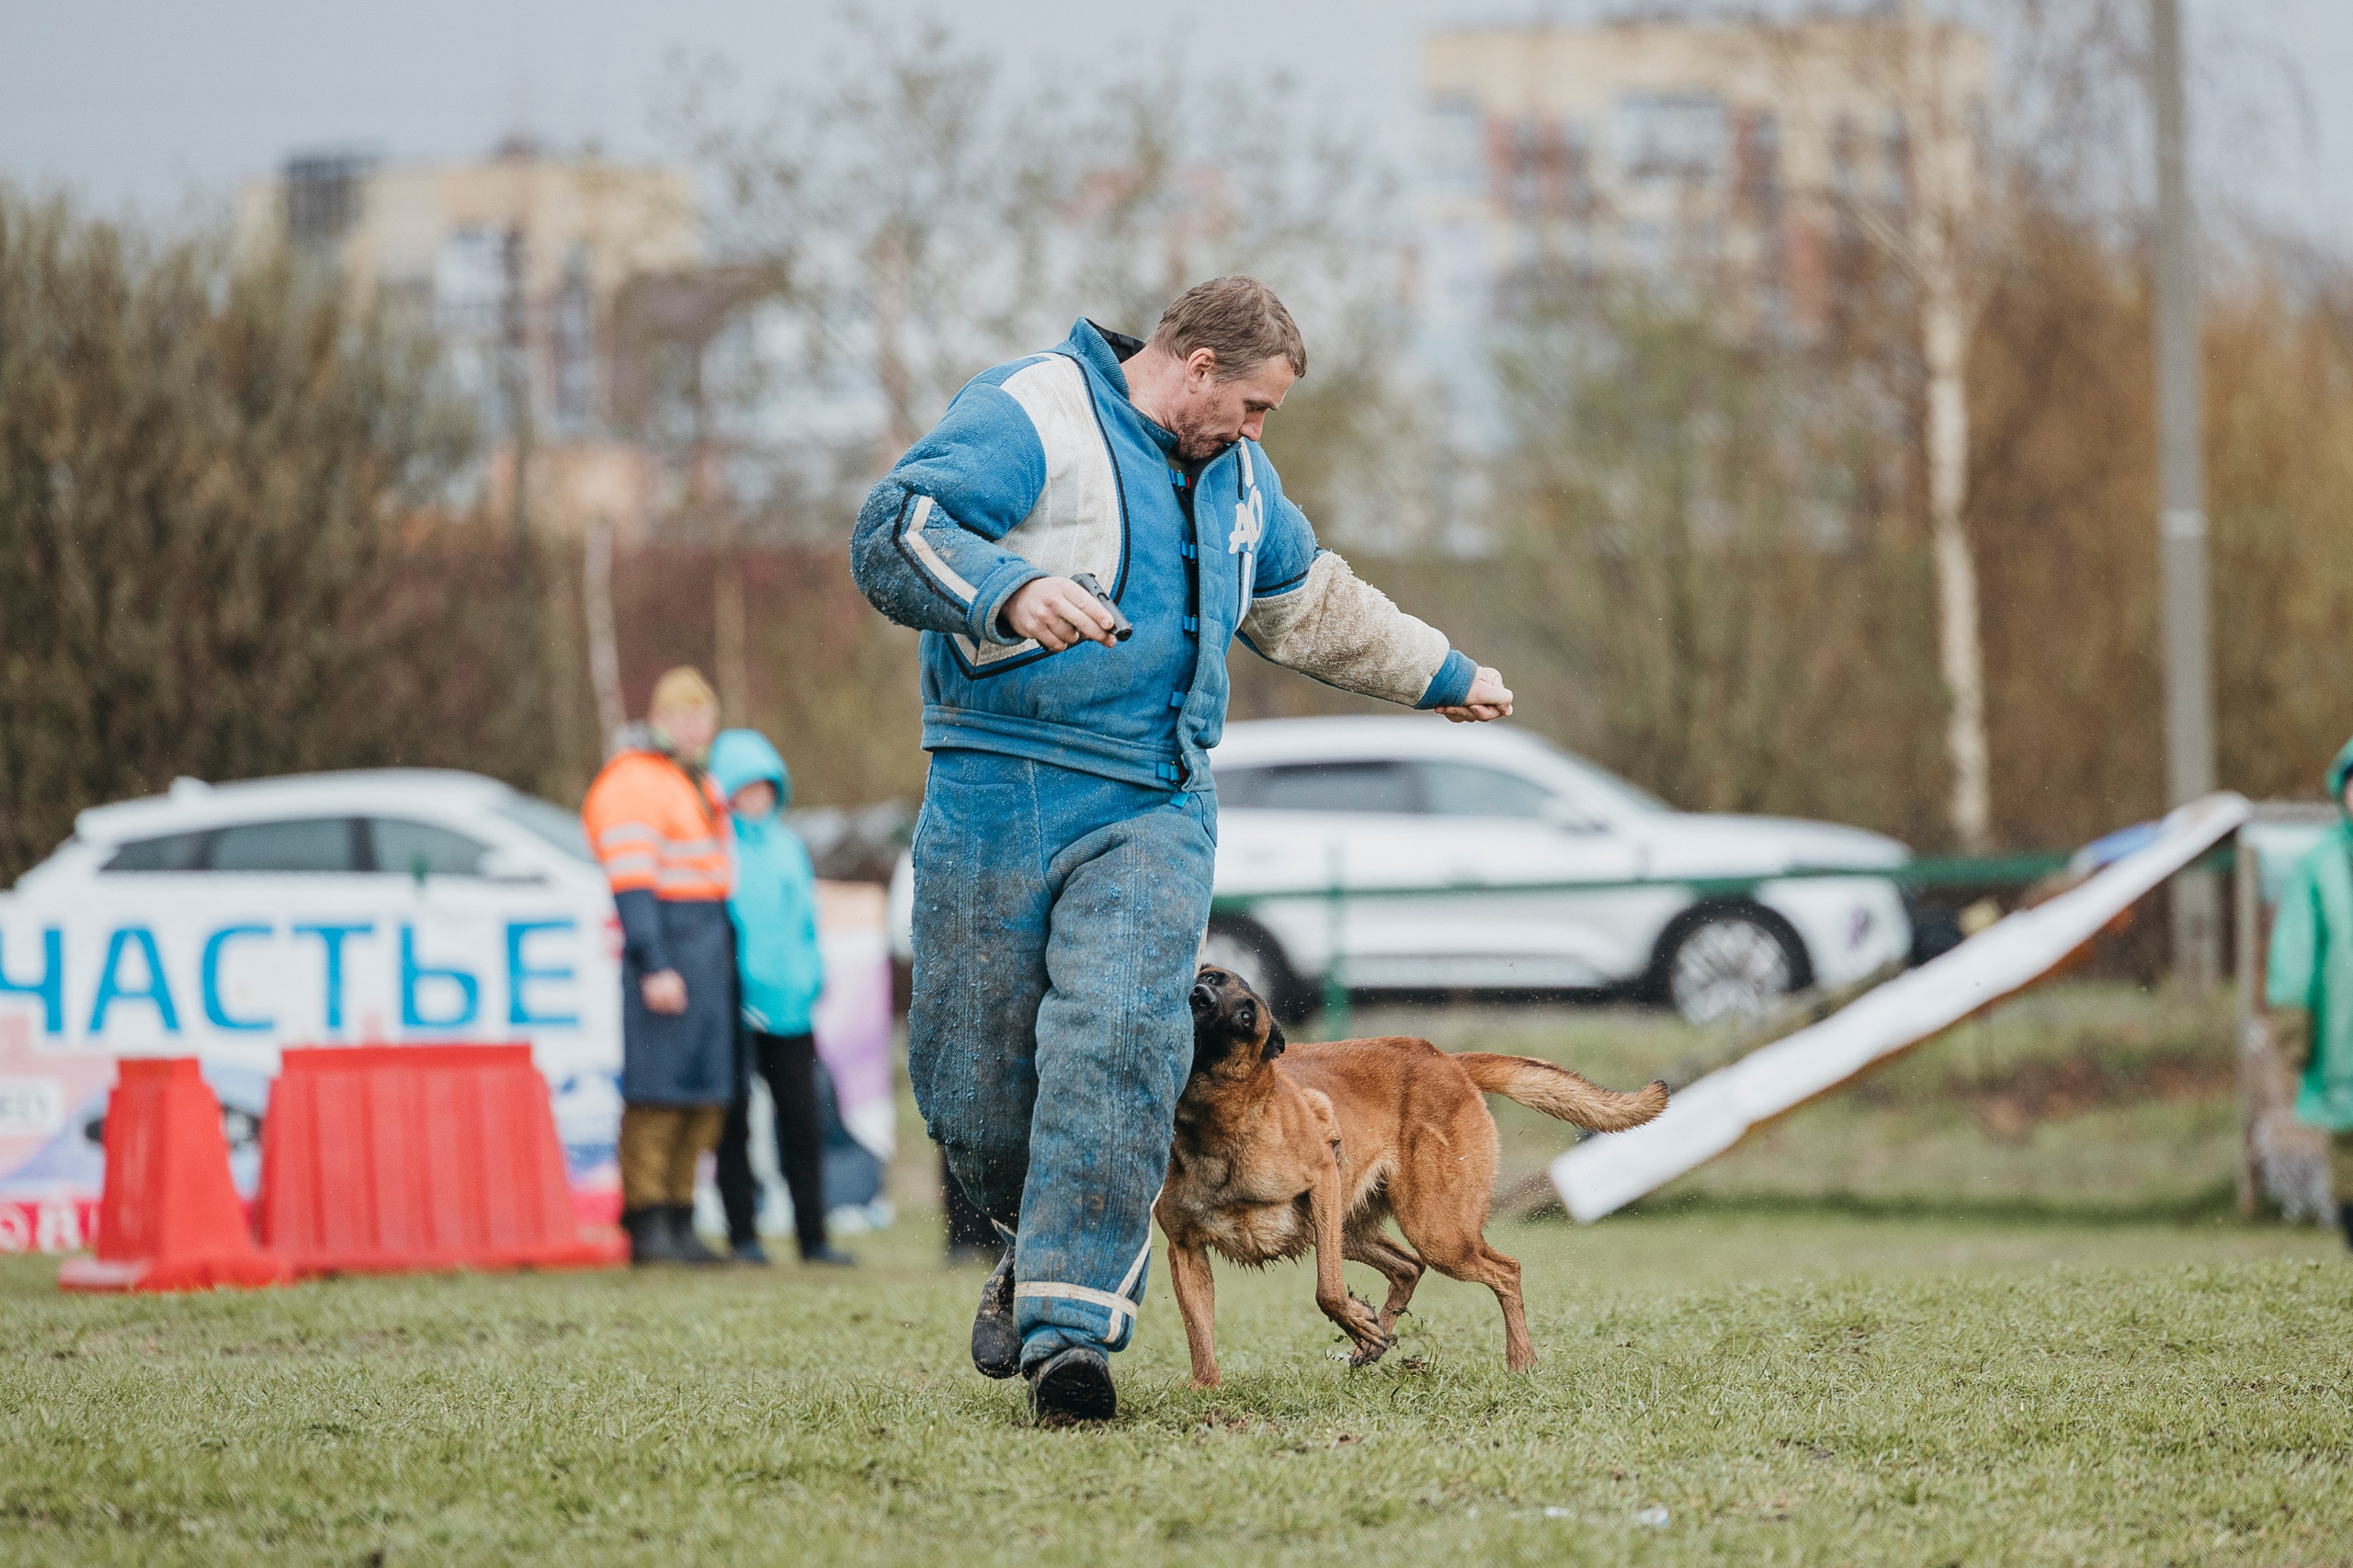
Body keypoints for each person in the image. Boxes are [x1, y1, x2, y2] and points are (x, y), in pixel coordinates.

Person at [849, 276, 1512, 1420]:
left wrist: (1442, 674)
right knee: (972, 1084)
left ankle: (1071, 1342)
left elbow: (1311, 602)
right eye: (1254, 407)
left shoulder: (1241, 483)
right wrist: (1009, 591)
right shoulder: (1033, 410)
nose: (1260, 434)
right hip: (994, 784)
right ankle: (1031, 1236)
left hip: (1153, 800)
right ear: (1196, 366)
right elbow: (895, 529)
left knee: (1117, 1037)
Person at [583, 667, 739, 1267]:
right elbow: (632, 884)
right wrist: (653, 962)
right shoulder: (635, 781)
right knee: (657, 1092)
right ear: (658, 720)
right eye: (683, 715)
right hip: (669, 944)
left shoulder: (694, 780)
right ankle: (647, 1224)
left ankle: (680, 1219)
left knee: (702, 1092)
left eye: (704, 715)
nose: (696, 726)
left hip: (706, 945)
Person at [709, 727, 856, 1267]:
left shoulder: (789, 847)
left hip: (792, 1007)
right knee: (735, 1122)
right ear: (725, 790)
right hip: (736, 1007)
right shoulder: (715, 848)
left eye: (765, 786)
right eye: (745, 787)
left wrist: (813, 972)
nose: (756, 797)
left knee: (802, 1120)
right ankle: (743, 1237)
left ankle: (813, 1239)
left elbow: (804, 921)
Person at [2267, 733, 2353, 1250]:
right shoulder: (2321, 866)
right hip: (2345, 1035)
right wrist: (2292, 1013)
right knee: (2348, 1141)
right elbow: (2295, 948)